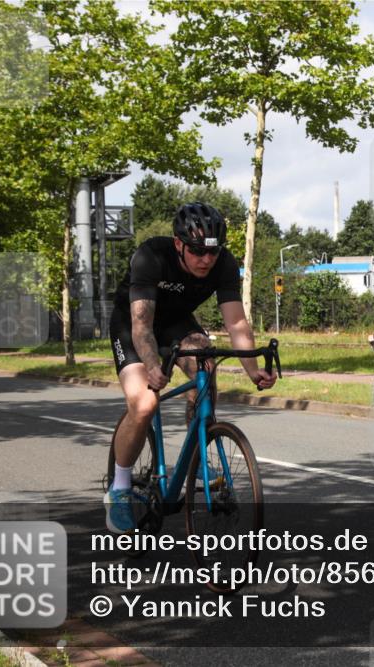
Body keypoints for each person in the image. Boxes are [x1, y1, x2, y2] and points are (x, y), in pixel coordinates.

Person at [105, 202, 276, 534]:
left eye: (213, 252)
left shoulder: (223, 264)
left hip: (176, 323)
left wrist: (253, 370)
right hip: (133, 325)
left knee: (205, 369)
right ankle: (120, 489)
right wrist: (153, 365)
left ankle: (196, 456)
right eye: (197, 251)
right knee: (145, 403)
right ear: (178, 243)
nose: (206, 260)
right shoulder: (151, 256)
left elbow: (237, 322)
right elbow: (142, 327)